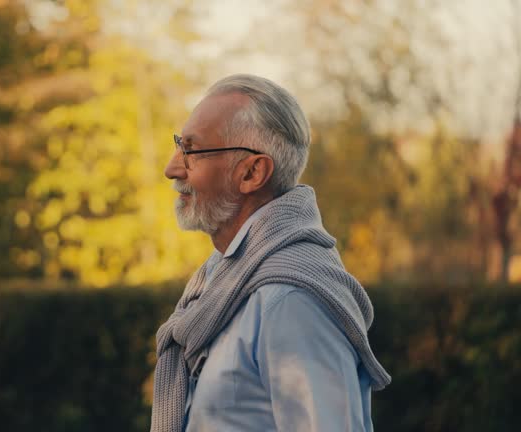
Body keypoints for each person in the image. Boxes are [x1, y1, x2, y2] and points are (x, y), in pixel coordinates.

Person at [150, 74, 391, 432]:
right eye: (177, 145)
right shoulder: (219, 281)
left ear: (252, 172)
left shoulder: (291, 300)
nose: (172, 168)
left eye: (191, 151)